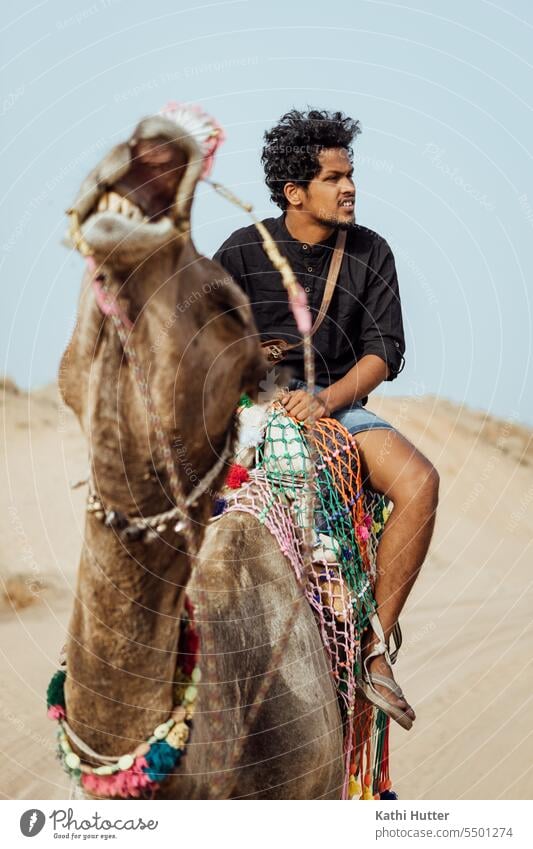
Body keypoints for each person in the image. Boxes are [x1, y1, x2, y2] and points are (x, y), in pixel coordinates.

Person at [213, 108, 439, 730]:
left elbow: (384, 351)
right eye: (335, 177)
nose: (350, 187)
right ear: (295, 191)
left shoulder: (370, 251)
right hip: (250, 413)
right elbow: (201, 347)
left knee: (421, 484)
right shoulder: (240, 252)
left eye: (351, 174)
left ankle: (374, 651)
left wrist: (327, 401)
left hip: (340, 408)